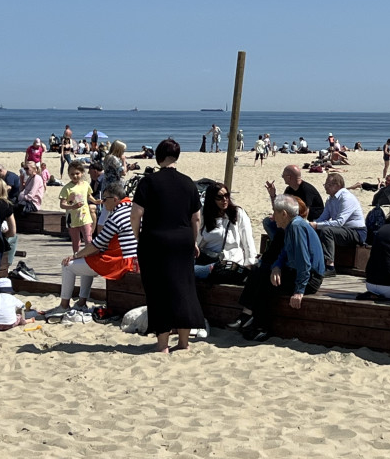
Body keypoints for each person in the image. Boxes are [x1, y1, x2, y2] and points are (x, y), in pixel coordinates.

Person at [130, 138, 206, 353]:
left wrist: (139, 237)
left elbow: (135, 214)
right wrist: (193, 241)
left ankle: (162, 344)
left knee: (158, 290)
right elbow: (196, 219)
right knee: (184, 288)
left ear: (158, 156)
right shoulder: (188, 182)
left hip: (155, 239)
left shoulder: (148, 182)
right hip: (182, 240)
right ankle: (183, 343)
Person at [229, 195, 324, 341]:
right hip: (297, 271)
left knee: (267, 284)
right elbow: (284, 251)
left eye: (275, 213)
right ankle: (248, 316)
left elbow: (304, 263)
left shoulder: (296, 227)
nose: (273, 217)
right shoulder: (291, 225)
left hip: (311, 278)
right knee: (260, 272)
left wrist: (299, 291)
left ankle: (261, 326)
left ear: (284, 214)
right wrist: (276, 267)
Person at [58, 180, 138, 311]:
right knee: (87, 260)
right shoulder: (133, 210)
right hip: (134, 258)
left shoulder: (116, 216)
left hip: (120, 262)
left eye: (106, 199)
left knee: (68, 265)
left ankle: (64, 305)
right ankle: (81, 302)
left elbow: (97, 244)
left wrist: (75, 255)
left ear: (115, 199)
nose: (103, 202)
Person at [195, 182, 257, 277]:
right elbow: (197, 238)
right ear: (212, 199)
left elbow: (247, 239)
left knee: (188, 272)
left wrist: (250, 263)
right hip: (205, 259)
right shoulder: (204, 215)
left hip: (228, 262)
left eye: (226, 195)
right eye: (219, 197)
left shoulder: (237, 213)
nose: (224, 200)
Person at [310, 172, 366, 274]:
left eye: (329, 185)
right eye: (325, 184)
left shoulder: (346, 198)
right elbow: (323, 218)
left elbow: (340, 222)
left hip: (356, 232)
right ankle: (315, 261)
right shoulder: (330, 199)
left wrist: (317, 225)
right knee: (315, 229)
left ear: (338, 185)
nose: (326, 187)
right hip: (343, 230)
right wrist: (311, 224)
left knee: (327, 231)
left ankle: (330, 266)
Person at [60, 162, 96, 255]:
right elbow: (62, 204)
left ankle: (89, 257)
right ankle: (76, 257)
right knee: (76, 241)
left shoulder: (85, 184)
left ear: (82, 173)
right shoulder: (67, 188)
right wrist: (72, 207)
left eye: (77, 173)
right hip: (72, 218)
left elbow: (88, 195)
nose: (75, 176)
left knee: (88, 238)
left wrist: (95, 201)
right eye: (72, 174)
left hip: (85, 217)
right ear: (68, 174)